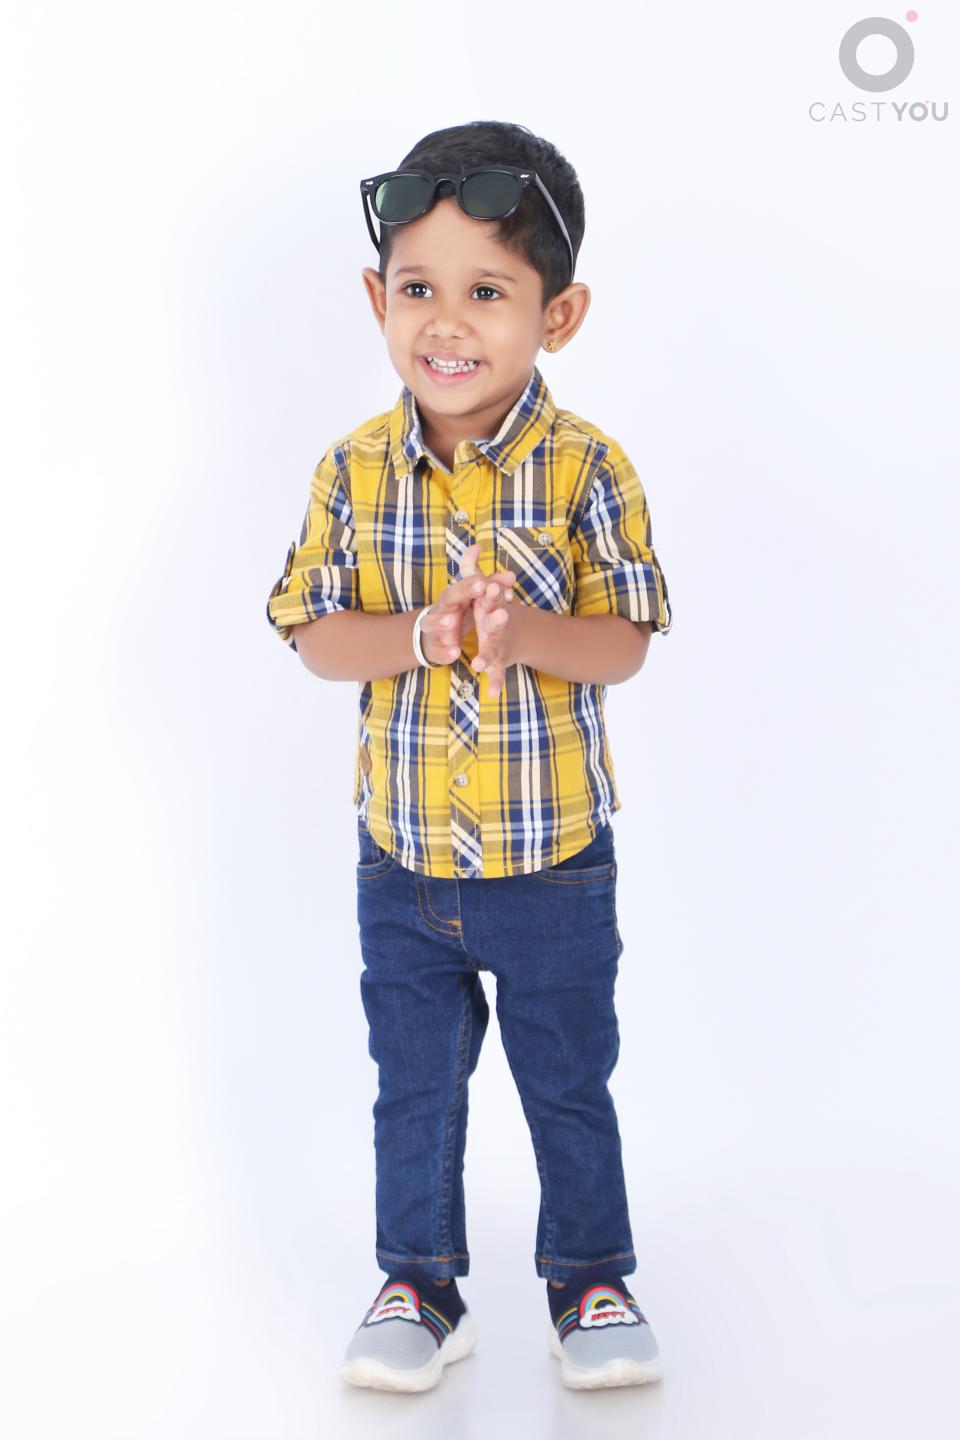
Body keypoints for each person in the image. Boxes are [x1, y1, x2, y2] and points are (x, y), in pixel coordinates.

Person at [265, 120, 672, 1393]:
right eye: (418, 289)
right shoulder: (353, 469)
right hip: (403, 866)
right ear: (376, 298)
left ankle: (590, 1282)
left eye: (488, 291)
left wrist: (523, 633)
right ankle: (421, 1287)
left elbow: (625, 643)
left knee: (569, 1080)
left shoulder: (588, 467)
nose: (446, 323)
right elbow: (313, 634)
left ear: (560, 315)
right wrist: (421, 636)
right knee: (414, 1091)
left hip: (554, 865)